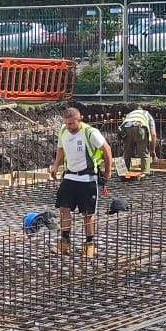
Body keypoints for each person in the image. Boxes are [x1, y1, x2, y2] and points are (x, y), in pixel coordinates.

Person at [48, 107, 111, 258]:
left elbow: (107, 150)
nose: (69, 127)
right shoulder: (64, 130)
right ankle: (64, 243)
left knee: (87, 214)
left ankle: (89, 245)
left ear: (79, 119)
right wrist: (56, 165)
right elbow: (61, 149)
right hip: (70, 176)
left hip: (87, 178)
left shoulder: (90, 133)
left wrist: (107, 173)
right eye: (66, 123)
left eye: (71, 124)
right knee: (63, 209)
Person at [117, 106, 158, 178]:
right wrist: (153, 150)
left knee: (127, 152)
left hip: (126, 129)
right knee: (144, 153)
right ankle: (145, 172)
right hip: (139, 128)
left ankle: (124, 173)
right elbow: (153, 135)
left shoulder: (130, 114)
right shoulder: (147, 115)